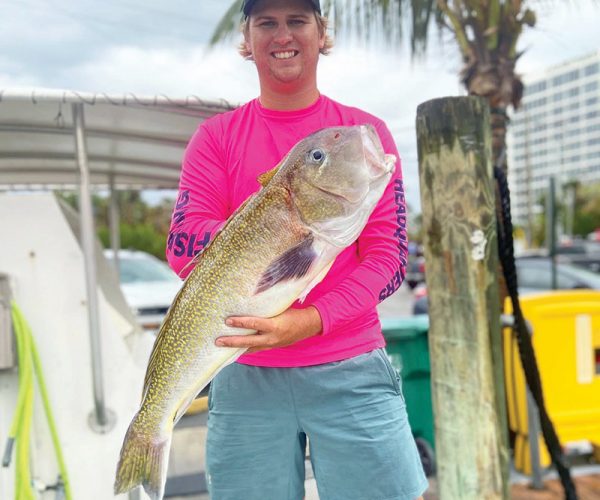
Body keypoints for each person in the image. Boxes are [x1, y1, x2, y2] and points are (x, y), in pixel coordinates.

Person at [166, 0, 428, 498]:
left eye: (297, 20)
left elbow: (388, 259)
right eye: (266, 22)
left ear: (320, 31)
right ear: (248, 37)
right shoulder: (215, 138)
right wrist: (272, 219)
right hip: (244, 374)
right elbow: (182, 247)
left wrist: (310, 321)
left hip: (351, 368)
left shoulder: (358, 133)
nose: (281, 34)